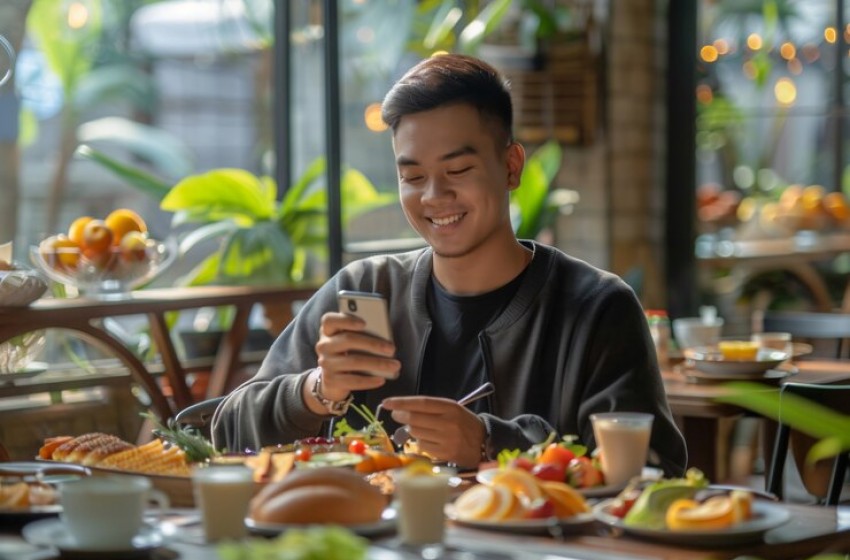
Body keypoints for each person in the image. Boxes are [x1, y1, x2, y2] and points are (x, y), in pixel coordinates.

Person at [211, 53, 687, 475]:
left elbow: (651, 470)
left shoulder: (596, 308)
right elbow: (225, 432)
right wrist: (317, 390)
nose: (434, 197)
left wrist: (490, 442)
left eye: (458, 171)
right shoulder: (365, 289)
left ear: (511, 166)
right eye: (413, 176)